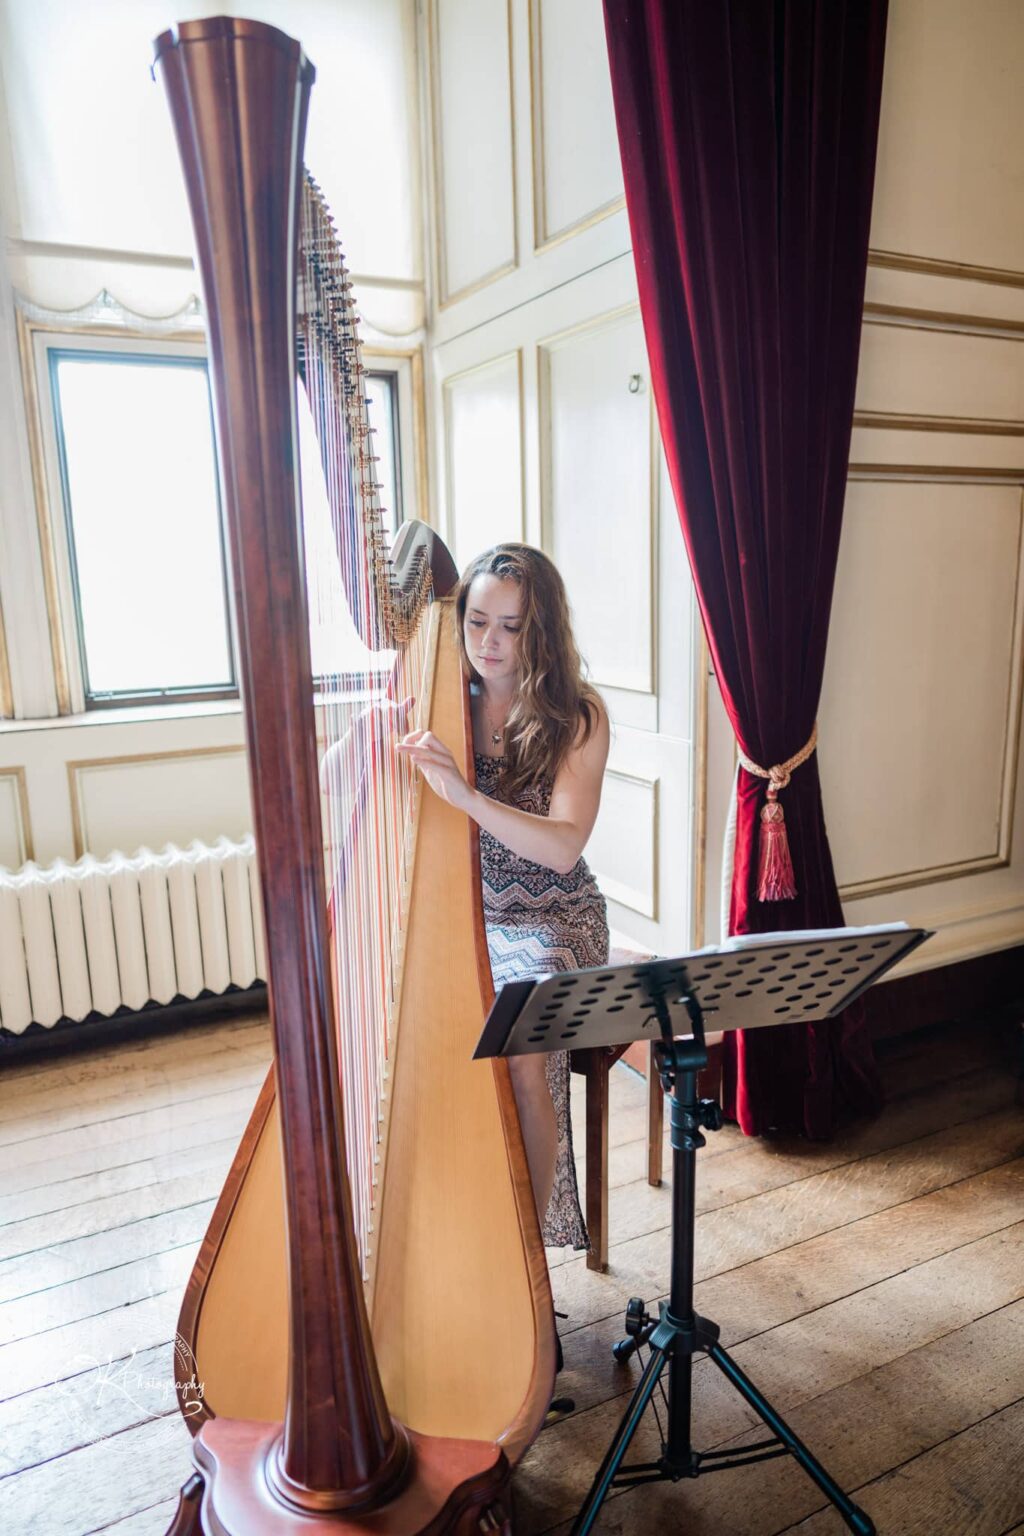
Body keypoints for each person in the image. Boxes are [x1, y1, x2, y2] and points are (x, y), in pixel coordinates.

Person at [396, 542, 610, 1250]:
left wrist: (464, 795)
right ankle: (452, 1223)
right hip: (474, 914)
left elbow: (563, 845)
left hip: (559, 917)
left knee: (522, 1044)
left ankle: (522, 1264)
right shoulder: (443, 698)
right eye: (476, 622)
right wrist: (374, 723)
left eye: (509, 627)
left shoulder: (577, 715)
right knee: (419, 1020)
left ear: (539, 630)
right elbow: (337, 773)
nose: (488, 642)